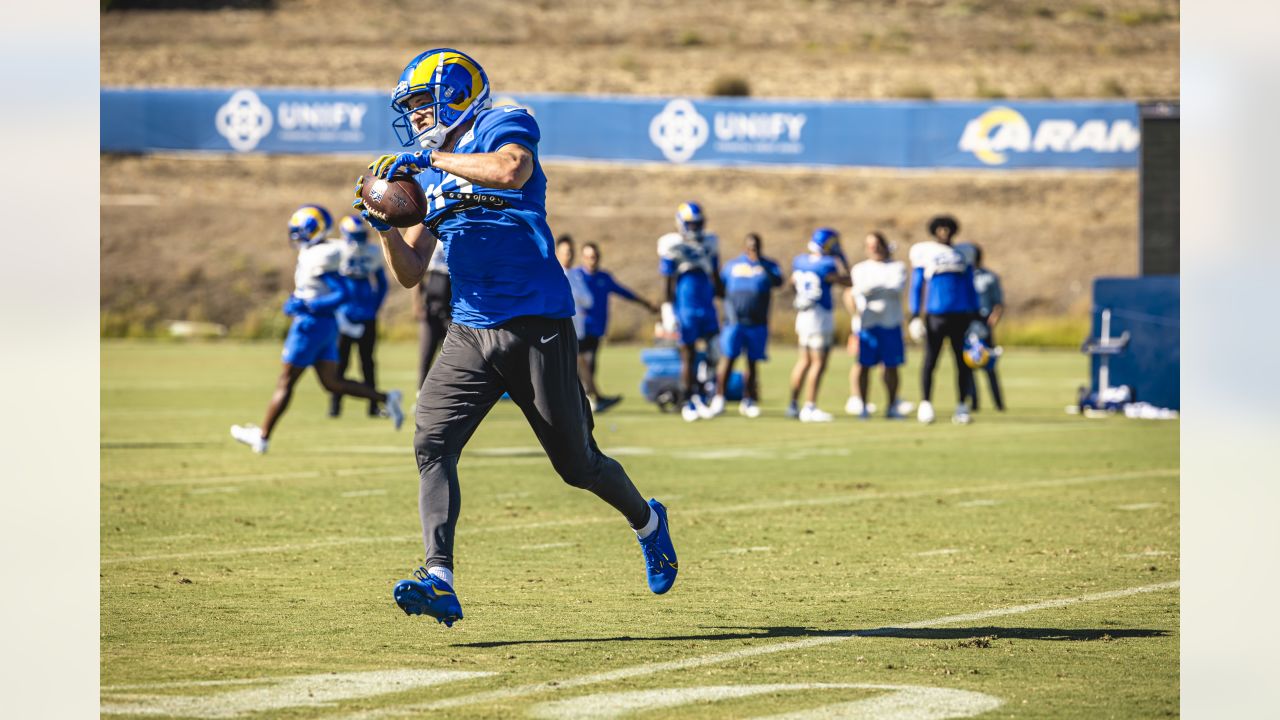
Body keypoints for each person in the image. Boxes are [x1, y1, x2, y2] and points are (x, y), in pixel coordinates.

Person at [351, 48, 678, 626]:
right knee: (432, 441)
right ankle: (439, 577)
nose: (417, 119)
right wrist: (385, 228)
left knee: (578, 467)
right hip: (470, 328)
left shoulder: (504, 122)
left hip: (537, 324)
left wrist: (437, 157)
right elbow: (410, 273)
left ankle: (648, 521)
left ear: (454, 92)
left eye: (422, 105)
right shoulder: (434, 168)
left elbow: (510, 171)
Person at [231, 205, 404, 454]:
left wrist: (307, 304)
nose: (295, 235)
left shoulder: (319, 255)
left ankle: (263, 436)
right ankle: (387, 399)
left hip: (310, 325)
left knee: (286, 381)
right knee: (332, 382)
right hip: (326, 326)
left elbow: (340, 293)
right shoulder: (321, 250)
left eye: (300, 230)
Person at [571, 241, 659, 413]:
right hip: (579, 328)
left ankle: (588, 400)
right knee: (583, 364)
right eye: (588, 257)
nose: (592, 260)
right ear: (582, 258)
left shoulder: (604, 278)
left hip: (597, 329)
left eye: (594, 257)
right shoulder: (575, 276)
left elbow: (624, 292)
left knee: (590, 364)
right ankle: (588, 399)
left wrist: (646, 303)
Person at [908, 214, 980, 425]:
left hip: (961, 316)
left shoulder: (964, 252)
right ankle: (926, 403)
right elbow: (917, 285)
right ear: (934, 231)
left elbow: (970, 286)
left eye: (947, 228)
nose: (944, 232)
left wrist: (976, 316)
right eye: (940, 229)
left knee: (963, 363)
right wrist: (914, 315)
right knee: (931, 360)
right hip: (935, 315)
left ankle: (961, 405)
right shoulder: (925, 252)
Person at [657, 202, 723, 422]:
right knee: (689, 355)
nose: (695, 228)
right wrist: (667, 311)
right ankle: (689, 400)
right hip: (685, 304)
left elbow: (716, 275)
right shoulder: (671, 244)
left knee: (715, 351)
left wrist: (725, 301)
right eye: (691, 224)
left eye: (698, 224)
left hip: (706, 302)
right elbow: (667, 282)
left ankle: (702, 393)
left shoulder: (711, 242)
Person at [709, 233, 783, 418]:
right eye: (750, 247)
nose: (753, 251)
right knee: (728, 358)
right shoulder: (732, 266)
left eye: (756, 247)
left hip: (757, 322)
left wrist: (762, 266)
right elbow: (719, 289)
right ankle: (719, 397)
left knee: (752, 362)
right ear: (744, 247)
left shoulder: (768, 265)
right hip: (733, 322)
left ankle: (749, 399)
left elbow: (778, 282)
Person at [329, 214, 389, 418]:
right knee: (340, 363)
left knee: (367, 362)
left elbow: (382, 283)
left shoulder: (372, 252)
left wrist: (374, 307)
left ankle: (373, 405)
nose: (360, 239)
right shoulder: (336, 252)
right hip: (343, 316)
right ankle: (335, 407)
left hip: (365, 315)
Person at [787, 228, 850, 422]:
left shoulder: (800, 261)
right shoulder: (827, 264)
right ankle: (810, 406)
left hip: (803, 314)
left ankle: (793, 405)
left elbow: (791, 283)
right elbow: (848, 281)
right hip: (819, 316)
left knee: (803, 361)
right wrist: (843, 259)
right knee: (818, 363)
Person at [844, 231, 908, 419]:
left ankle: (892, 405)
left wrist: (871, 288)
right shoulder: (860, 269)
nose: (875, 249)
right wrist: (877, 288)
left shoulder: (897, 266)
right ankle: (863, 406)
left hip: (891, 323)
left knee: (891, 366)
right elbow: (859, 290)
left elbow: (895, 287)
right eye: (871, 245)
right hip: (867, 325)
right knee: (863, 366)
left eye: (878, 244)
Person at [963, 242, 1006, 411]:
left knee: (989, 364)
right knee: (968, 364)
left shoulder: (989, 277)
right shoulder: (963, 277)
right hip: (967, 324)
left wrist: (994, 319)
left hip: (984, 323)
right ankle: (973, 402)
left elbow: (998, 303)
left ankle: (998, 403)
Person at [415, 241, 452, 391]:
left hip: (452, 310)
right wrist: (417, 303)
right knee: (426, 354)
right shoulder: (432, 239)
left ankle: (449, 394)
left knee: (452, 355)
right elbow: (418, 275)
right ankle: (421, 394)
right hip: (431, 308)